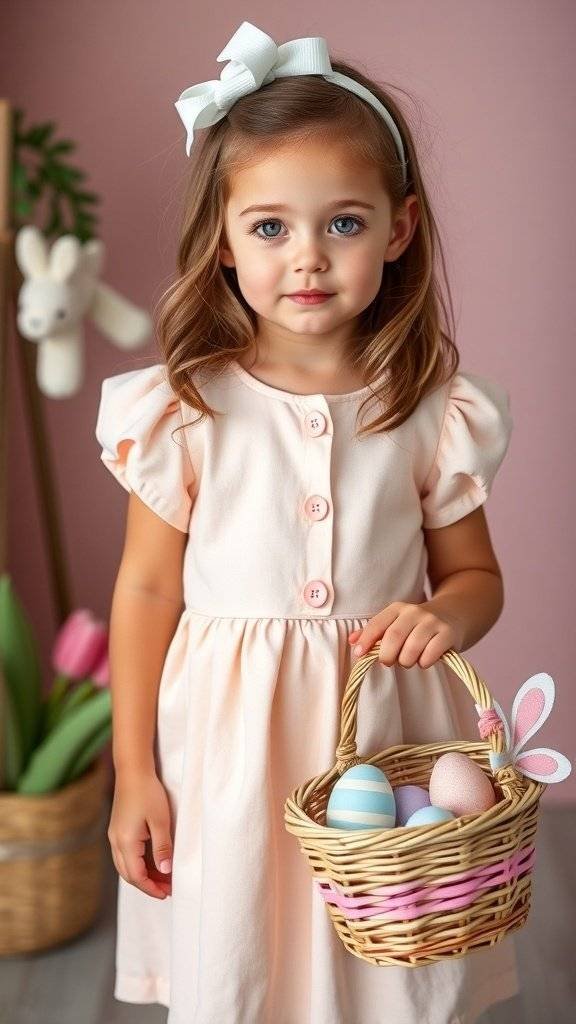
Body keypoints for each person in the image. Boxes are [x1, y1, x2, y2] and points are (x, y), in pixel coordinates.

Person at [95, 20, 520, 1024]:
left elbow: (476, 577)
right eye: (271, 227)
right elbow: (148, 590)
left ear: (400, 228)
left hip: (379, 736)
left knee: (380, 963)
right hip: (230, 753)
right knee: (246, 952)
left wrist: (447, 619)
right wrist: (132, 773)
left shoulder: (429, 406)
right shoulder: (187, 407)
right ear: (225, 241)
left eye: (344, 223)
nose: (309, 258)